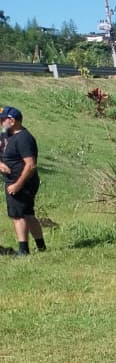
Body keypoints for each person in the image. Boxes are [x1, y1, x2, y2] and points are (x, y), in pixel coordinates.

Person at [0, 107, 45, 256]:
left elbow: (30, 165)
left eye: (2, 120)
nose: (0, 123)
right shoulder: (6, 134)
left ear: (12, 121)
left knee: (18, 216)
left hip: (22, 182)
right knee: (28, 214)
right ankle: (41, 247)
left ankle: (23, 251)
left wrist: (17, 185)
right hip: (13, 180)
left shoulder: (24, 139)